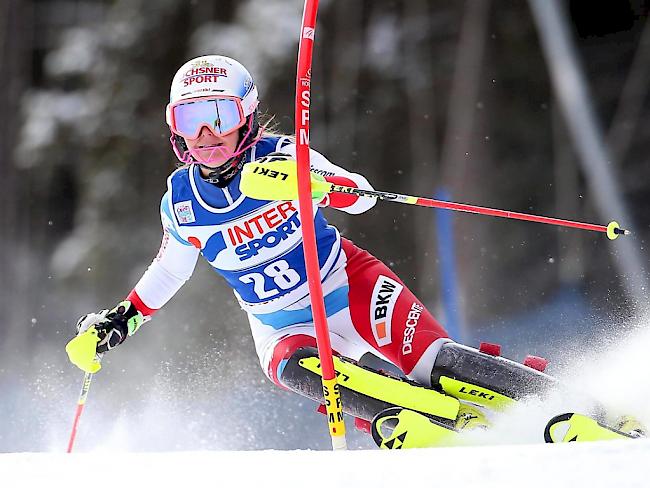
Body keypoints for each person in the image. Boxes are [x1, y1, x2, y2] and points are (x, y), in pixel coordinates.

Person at [66, 55, 560, 448]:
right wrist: (119, 321)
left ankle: (556, 403)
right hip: (284, 328)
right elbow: (170, 271)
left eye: (219, 115)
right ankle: (420, 420)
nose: (205, 134)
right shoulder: (181, 201)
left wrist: (315, 184)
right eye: (190, 119)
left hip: (351, 285)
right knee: (304, 372)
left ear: (246, 116)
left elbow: (361, 196)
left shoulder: (282, 156)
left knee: (437, 363)